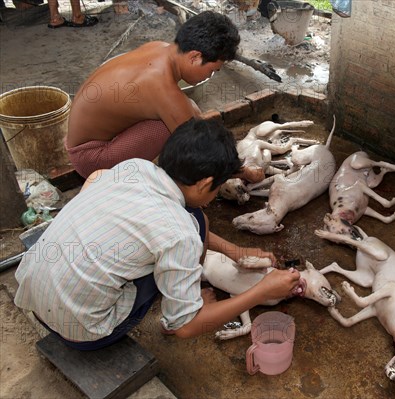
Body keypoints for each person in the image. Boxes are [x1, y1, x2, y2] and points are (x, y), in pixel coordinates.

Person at [14, 118, 301, 350]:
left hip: (33, 295)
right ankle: (185, 302)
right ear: (206, 184)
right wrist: (261, 291)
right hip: (82, 332)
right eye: (218, 186)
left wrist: (236, 252)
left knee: (189, 224)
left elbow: (106, 190)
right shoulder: (180, 232)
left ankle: (184, 293)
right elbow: (186, 328)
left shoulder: (134, 167)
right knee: (196, 223)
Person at [65, 11, 263, 182]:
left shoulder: (160, 47)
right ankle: (136, 180)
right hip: (90, 158)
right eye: (213, 70)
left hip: (86, 139)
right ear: (195, 57)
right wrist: (244, 173)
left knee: (188, 107)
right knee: (171, 130)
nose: (211, 75)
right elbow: (200, 149)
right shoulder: (159, 86)